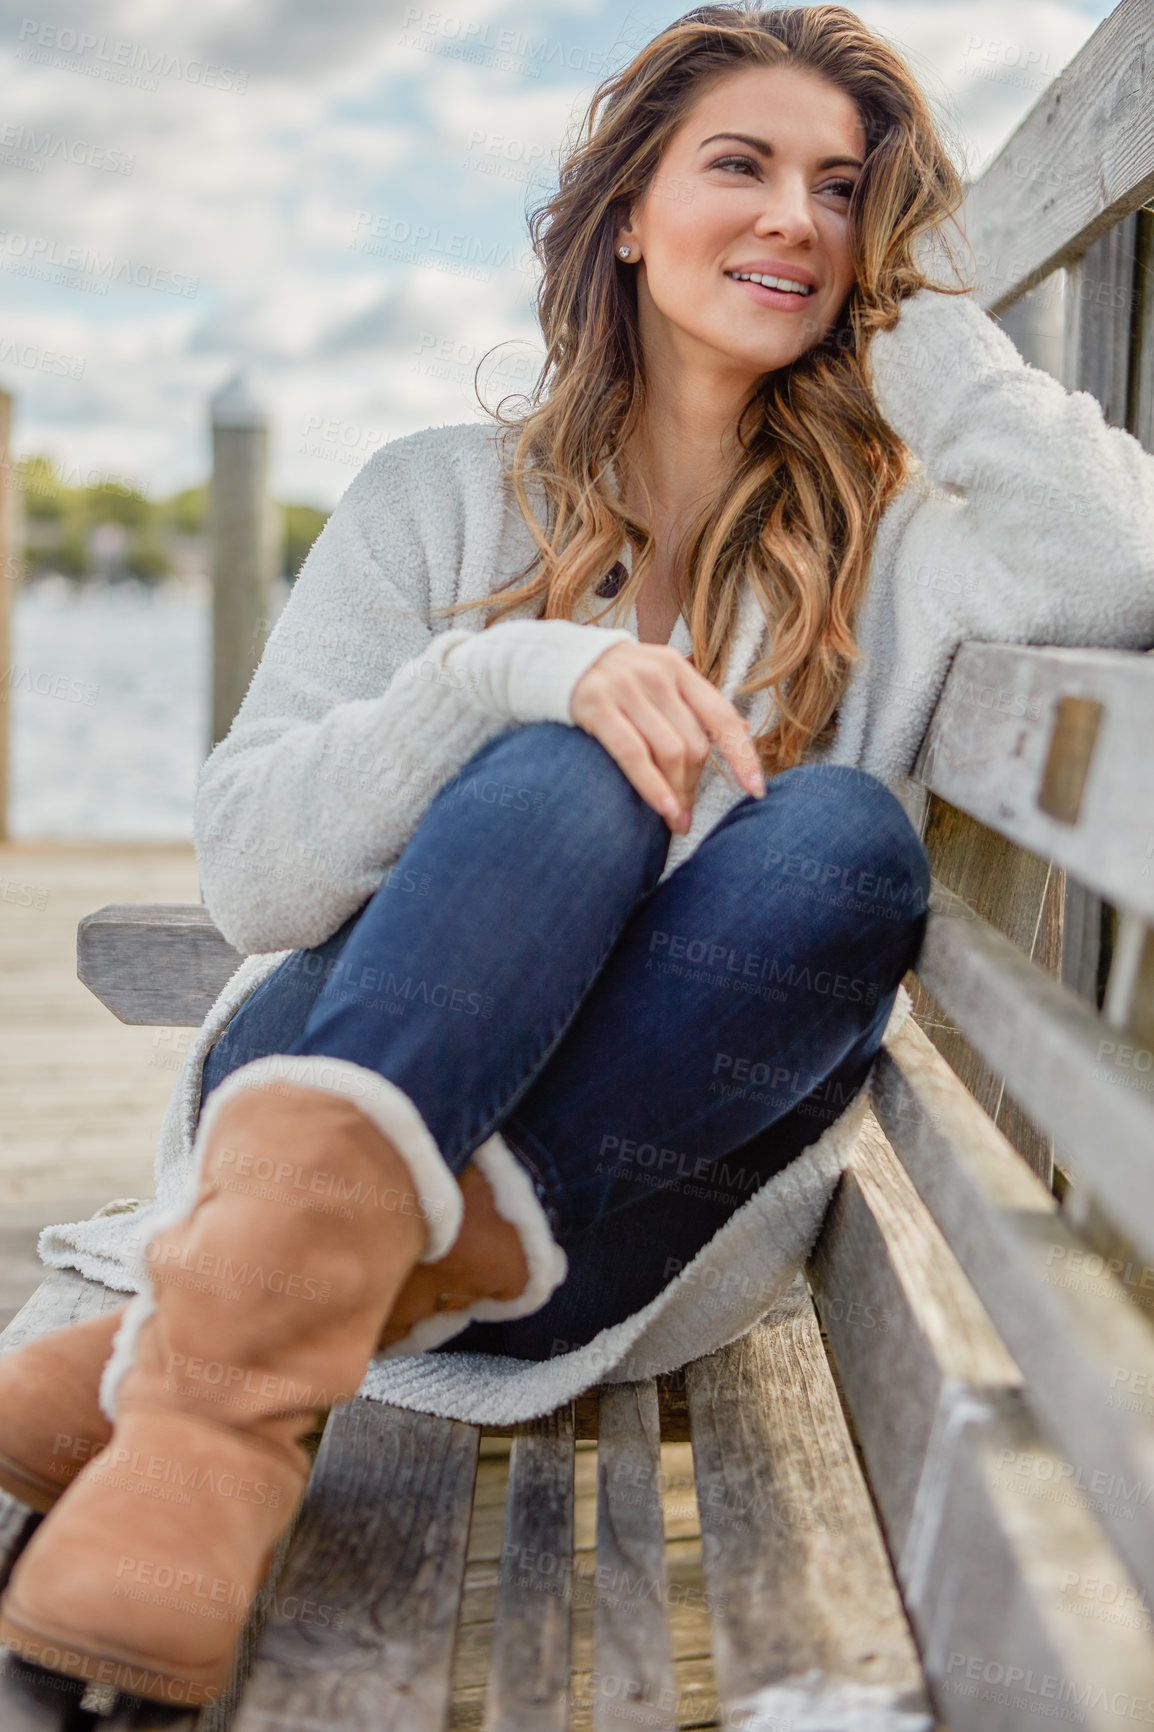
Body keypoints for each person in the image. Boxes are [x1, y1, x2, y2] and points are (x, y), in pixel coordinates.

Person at [3, 1, 1153, 1708]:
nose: (796, 219)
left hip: (620, 1210)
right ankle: (225, 1417)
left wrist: (923, 324)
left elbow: (1116, 565)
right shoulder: (430, 499)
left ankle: (212, 1347)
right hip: (333, 1052)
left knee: (837, 830)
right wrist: (505, 673)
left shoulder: (897, 543)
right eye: (740, 166)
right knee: (562, 767)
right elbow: (254, 880)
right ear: (627, 209)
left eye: (843, 191)